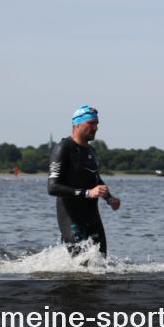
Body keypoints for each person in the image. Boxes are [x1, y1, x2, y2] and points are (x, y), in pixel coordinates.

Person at [47, 105, 120, 256]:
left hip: (92, 217)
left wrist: (109, 198)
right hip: (71, 217)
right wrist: (87, 193)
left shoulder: (91, 151)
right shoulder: (63, 148)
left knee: (101, 263)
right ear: (77, 124)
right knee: (81, 266)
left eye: (97, 123)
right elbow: (52, 187)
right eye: (91, 123)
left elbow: (95, 179)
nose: (96, 127)